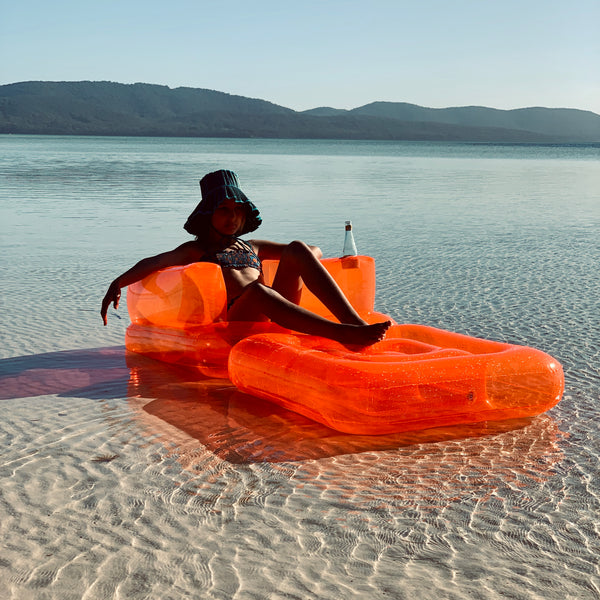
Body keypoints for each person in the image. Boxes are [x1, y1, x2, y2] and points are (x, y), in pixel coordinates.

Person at [101, 169, 390, 346]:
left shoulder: (251, 246)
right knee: (257, 291)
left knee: (297, 247)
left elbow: (312, 252)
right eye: (224, 209)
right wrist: (118, 282)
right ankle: (341, 334)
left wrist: (307, 257)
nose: (232, 217)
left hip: (275, 312)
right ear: (207, 214)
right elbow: (154, 262)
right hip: (239, 321)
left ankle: (355, 326)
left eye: (238, 210)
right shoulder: (198, 250)